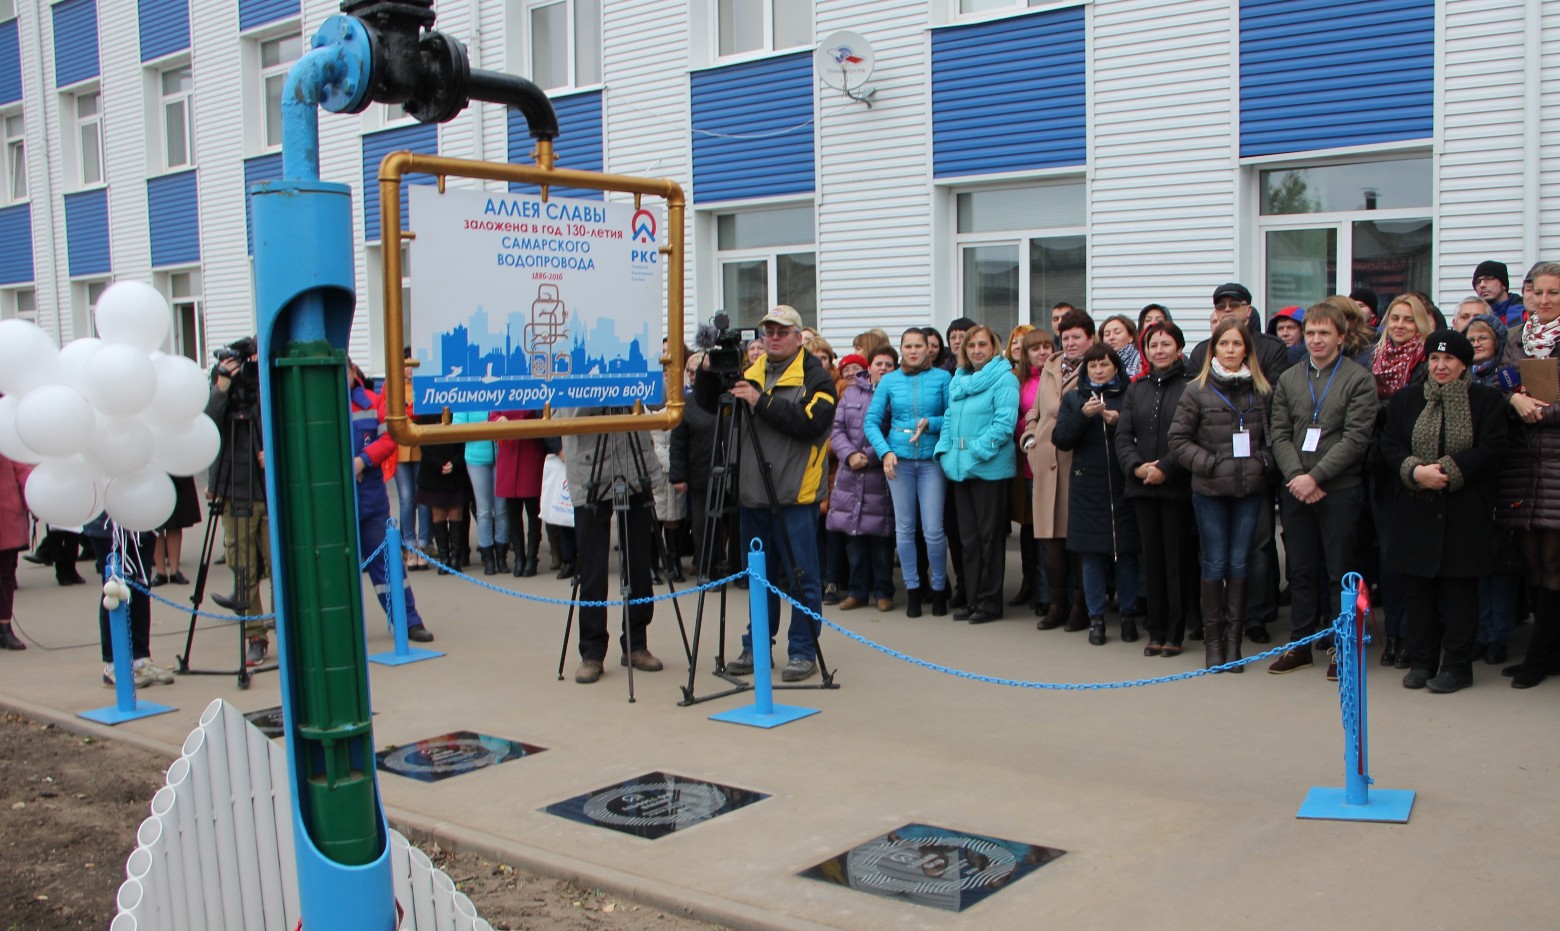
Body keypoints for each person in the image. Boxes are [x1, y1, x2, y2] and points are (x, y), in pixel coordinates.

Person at [695, 305, 837, 682]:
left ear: (798, 336)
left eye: (781, 331)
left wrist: (762, 401)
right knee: (760, 576)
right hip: (753, 494)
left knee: (802, 576)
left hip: (796, 496)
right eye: (767, 332)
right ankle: (756, 644)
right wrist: (710, 373)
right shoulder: (749, 371)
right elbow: (711, 406)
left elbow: (812, 423)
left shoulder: (817, 378)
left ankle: (803, 650)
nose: (773, 337)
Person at [1379, 330, 1507, 693]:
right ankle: (1422, 662)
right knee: (1417, 593)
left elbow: (1491, 448)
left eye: (1449, 359)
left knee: (1459, 596)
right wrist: (1415, 470)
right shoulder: (1406, 400)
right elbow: (1390, 443)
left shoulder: (1486, 400)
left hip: (1464, 511)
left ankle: (1457, 667)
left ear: (1464, 364)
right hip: (1416, 508)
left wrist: (1448, 471)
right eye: (1435, 358)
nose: (1440, 365)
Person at [1267, 302, 1379, 675]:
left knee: (1339, 571)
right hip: (1296, 487)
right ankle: (1300, 642)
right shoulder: (1289, 378)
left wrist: (1317, 477)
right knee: (1300, 569)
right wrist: (1298, 476)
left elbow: (1356, 438)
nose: (1316, 340)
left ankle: (1340, 646)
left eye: (1324, 333)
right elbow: (1279, 433)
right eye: (1311, 333)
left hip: (1339, 489)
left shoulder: (1359, 379)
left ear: (1341, 338)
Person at [1169, 319, 1275, 671]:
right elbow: (1178, 440)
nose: (1230, 350)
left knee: (1240, 563)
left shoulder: (1261, 390)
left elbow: (1276, 439)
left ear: (1247, 349)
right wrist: (1210, 463)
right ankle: (1213, 644)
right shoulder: (1196, 389)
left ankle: (1234, 644)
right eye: (1224, 344)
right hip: (1210, 490)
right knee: (1215, 563)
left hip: (1248, 490)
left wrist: (1262, 462)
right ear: (1213, 349)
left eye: (1237, 344)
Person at [558, 407, 665, 684]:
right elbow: (567, 412)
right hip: (589, 465)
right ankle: (591, 651)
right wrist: (605, 391)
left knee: (640, 562)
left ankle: (636, 643)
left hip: (634, 459)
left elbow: (660, 400)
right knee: (592, 567)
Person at [1497, 261, 1560, 688]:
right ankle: (1546, 649)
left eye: (1554, 293)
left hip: (1557, 458)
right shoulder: (1516, 337)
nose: (1544, 300)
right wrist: (1514, 401)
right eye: (1538, 292)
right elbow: (1502, 380)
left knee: (1554, 560)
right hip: (1521, 460)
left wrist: (1543, 411)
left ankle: (1539, 658)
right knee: (1531, 560)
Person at [1116, 322, 1195, 657]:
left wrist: (1165, 467)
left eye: (1166, 344)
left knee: (1176, 561)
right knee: (1151, 561)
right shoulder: (1136, 389)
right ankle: (1156, 629)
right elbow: (1123, 435)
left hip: (1176, 486)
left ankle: (1175, 632)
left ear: (1178, 348)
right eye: (1153, 345)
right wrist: (1137, 466)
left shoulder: (1192, 386)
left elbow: (1193, 436)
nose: (1159, 350)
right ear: (1144, 350)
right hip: (1142, 486)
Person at [1052, 344, 1138, 644]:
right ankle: (1096, 620)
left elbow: (1143, 435)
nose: (1099, 371)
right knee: (1091, 557)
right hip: (1087, 487)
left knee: (1126, 554)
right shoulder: (1074, 398)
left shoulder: (1130, 396)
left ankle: (1128, 617)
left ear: (1116, 367)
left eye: (1104, 365)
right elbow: (1060, 439)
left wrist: (1119, 422)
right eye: (1093, 366)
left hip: (1123, 484)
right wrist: (1083, 417)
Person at [935, 324, 1019, 624]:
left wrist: (972, 454)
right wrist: (944, 454)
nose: (976, 350)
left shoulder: (1004, 380)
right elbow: (948, 421)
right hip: (959, 470)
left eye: (983, 344)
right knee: (968, 539)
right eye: (971, 346)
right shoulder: (958, 382)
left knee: (989, 538)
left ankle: (989, 603)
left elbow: (1003, 426)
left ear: (994, 347)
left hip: (990, 471)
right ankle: (972, 600)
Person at [1368, 293, 1436, 666]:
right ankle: (1393, 633)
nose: (1399, 325)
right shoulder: (1372, 359)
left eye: (1408, 319)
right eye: (1394, 318)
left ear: (1421, 324)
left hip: (1416, 468)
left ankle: (1414, 634)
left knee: (1413, 555)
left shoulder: (1429, 361)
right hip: (1380, 466)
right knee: (1388, 555)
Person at [865, 327, 952, 618]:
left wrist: (932, 423)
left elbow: (952, 416)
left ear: (929, 349)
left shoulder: (942, 378)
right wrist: (885, 451)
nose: (913, 351)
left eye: (919, 346)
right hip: (899, 461)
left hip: (932, 462)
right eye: (908, 346)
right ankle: (913, 589)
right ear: (901, 349)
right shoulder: (889, 381)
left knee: (933, 530)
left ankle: (938, 588)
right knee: (904, 528)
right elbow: (871, 422)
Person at [348, 364, 434, 642]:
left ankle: (408, 621)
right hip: (335, 500)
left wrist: (362, 461)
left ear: (352, 371)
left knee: (388, 565)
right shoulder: (319, 405)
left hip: (369, 498)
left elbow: (391, 437)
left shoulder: (373, 402)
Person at [1023, 310, 1092, 633]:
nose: (1071, 343)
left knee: (1077, 540)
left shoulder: (1096, 366)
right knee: (1049, 540)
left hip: (1077, 463)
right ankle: (1056, 604)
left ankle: (1081, 606)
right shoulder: (1050, 366)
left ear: (1090, 339)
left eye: (1077, 336)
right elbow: (1035, 411)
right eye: (1065, 337)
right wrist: (1030, 439)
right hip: (1045, 462)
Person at [204, 340, 272, 664]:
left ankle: (287, 629)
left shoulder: (269, 379)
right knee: (243, 567)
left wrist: (273, 451)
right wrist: (221, 386)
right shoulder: (223, 384)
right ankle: (255, 636)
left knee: (278, 567)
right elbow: (208, 425)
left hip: (270, 488)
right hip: (235, 487)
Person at [828, 346, 897, 612]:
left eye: (889, 364)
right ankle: (857, 591)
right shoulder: (851, 391)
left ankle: (883, 591)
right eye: (879, 363)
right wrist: (849, 455)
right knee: (853, 538)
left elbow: (893, 430)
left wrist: (867, 455)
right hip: (850, 477)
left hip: (878, 475)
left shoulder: (895, 394)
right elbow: (837, 429)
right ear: (869, 367)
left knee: (880, 539)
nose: (883, 368)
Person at [83, 513, 175, 687]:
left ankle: (140, 658)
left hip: (142, 519)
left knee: (141, 588)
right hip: (108, 524)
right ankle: (113, 664)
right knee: (114, 590)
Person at [1010, 329, 1054, 613]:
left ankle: (1049, 593)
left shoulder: (1059, 377)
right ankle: (1035, 588)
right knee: (1031, 530)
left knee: (1050, 533)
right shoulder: (1018, 382)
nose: (1042, 352)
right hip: (1027, 465)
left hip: (1054, 464)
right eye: (1035, 348)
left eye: (1047, 346)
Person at [451, 410, 509, 575]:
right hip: (476, 457)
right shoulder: (468, 396)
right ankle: (488, 556)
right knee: (483, 510)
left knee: (501, 509)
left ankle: (501, 556)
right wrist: (486, 426)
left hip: (501, 455)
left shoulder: (497, 392)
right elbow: (458, 427)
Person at [494, 409, 546, 577]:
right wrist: (498, 419)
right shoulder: (504, 387)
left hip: (529, 453)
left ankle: (532, 558)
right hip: (509, 454)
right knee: (513, 513)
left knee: (533, 511)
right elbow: (493, 414)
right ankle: (519, 557)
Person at [394, 353, 431, 571]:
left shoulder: (423, 386)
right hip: (398, 451)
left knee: (423, 497)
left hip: (419, 448)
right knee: (406, 499)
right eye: (405, 363)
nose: (408, 368)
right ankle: (409, 544)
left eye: (411, 363)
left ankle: (425, 543)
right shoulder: (392, 388)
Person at [0, 447, 30, 650]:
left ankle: (4, 627)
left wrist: (36, 497)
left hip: (5, 513)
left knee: (5, 574)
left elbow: (22, 467)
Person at [1473, 259, 1524, 326]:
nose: (1482, 285)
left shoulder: (1524, 313)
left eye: (1489, 278)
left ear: (1503, 284)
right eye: (1478, 282)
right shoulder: (1472, 316)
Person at [1100, 315, 1142, 379]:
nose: (1111, 337)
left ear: (1130, 337)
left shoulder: (1140, 361)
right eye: (1107, 334)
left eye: (1117, 332)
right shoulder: (1096, 361)